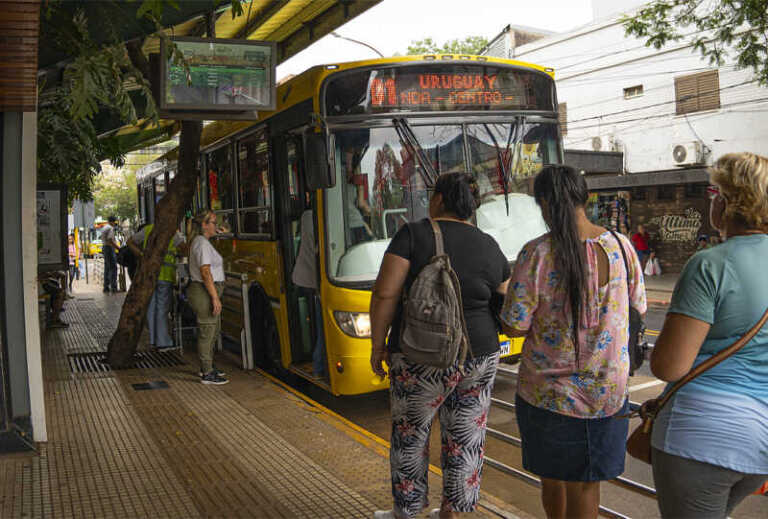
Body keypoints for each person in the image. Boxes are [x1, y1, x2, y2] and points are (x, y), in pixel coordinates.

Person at [500, 165, 646, 519]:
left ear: (546, 203)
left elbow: (515, 326)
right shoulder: (621, 247)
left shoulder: (536, 253)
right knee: (587, 484)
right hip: (606, 395)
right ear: (584, 198)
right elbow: (636, 309)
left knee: (553, 479)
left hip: (547, 397)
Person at [370, 172, 510, 519]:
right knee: (465, 435)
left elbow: (386, 292)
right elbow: (505, 300)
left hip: (420, 352)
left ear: (438, 200)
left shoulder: (413, 235)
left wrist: (377, 346)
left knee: (411, 432)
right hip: (479, 355)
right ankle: (453, 513)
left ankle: (408, 510)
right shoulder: (488, 243)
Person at [649, 152, 768, 518]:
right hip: (760, 444)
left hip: (700, 436)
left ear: (727, 202)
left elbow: (670, 366)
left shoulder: (709, 264)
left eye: (715, 192)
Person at [130, 223, 186, 350]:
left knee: (151, 307)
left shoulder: (148, 229)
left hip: (149, 274)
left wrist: (141, 255)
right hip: (165, 275)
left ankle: (153, 339)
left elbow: (130, 242)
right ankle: (163, 342)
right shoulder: (171, 231)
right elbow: (184, 249)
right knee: (162, 308)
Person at [187, 211, 228, 385]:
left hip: (206, 290)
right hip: (204, 291)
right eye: (213, 222)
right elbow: (205, 272)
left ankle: (208, 366)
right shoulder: (202, 244)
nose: (216, 225)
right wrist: (214, 298)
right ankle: (206, 372)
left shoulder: (202, 242)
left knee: (213, 330)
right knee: (207, 331)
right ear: (204, 225)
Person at [291, 195, 326, 378]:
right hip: (314, 279)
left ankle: (319, 365)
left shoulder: (306, 216)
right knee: (322, 325)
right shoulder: (323, 216)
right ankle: (319, 367)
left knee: (318, 323)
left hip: (304, 277)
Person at [101, 216, 119, 293]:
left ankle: (106, 287)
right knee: (113, 268)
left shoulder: (104, 227)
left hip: (104, 248)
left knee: (107, 268)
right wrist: (118, 248)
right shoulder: (110, 228)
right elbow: (110, 240)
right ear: (113, 222)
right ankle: (114, 287)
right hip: (109, 248)